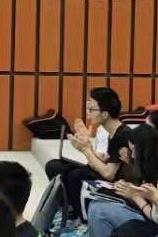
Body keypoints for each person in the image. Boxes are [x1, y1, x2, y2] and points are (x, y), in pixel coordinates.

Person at [46, 87, 130, 221]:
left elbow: (109, 174)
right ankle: (69, 210)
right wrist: (87, 146)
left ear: (105, 114)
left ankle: (84, 220)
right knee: (54, 166)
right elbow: (102, 163)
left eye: (91, 109)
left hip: (119, 185)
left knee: (76, 175)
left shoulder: (122, 135)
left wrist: (85, 150)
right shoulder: (111, 132)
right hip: (107, 176)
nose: (88, 113)